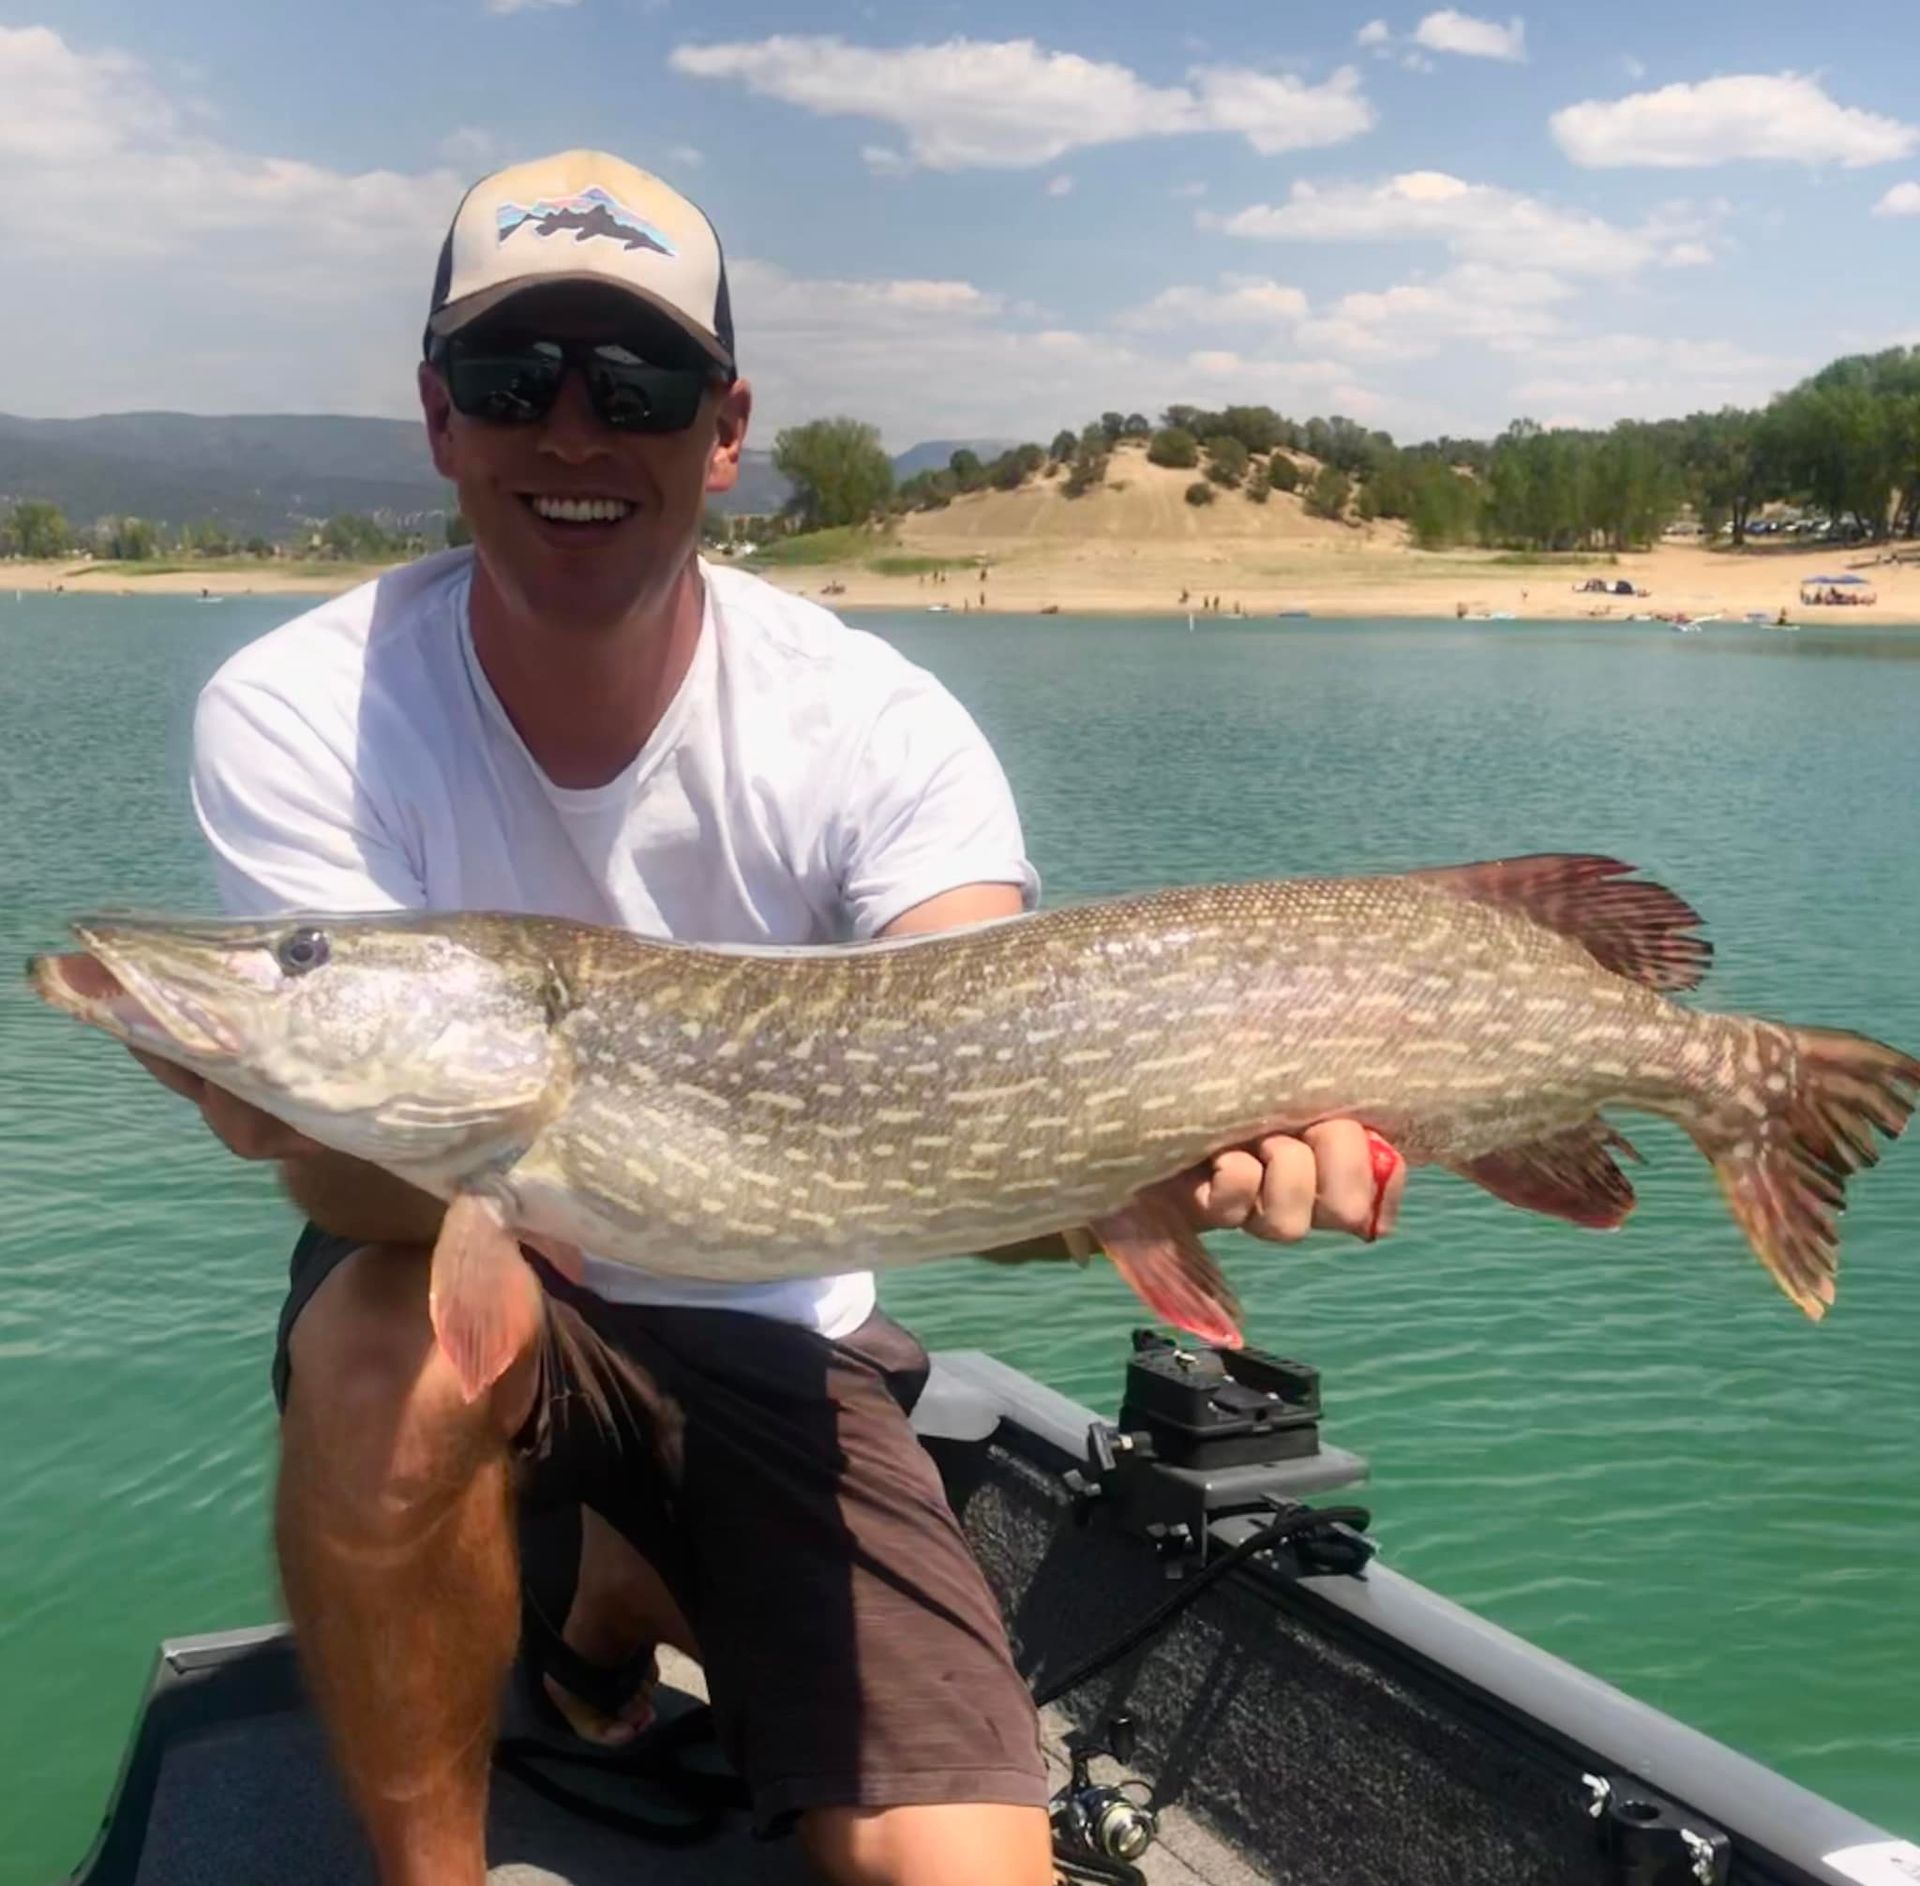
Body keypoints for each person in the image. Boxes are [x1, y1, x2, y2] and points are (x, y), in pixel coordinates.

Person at [121, 150, 1406, 1886]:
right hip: (474, 1270)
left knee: (960, 1870)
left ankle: (623, 1584)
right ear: (439, 418)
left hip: (790, 1341)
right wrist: (298, 1106)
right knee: (382, 1357)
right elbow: (367, 1196)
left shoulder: (875, 728)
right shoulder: (297, 709)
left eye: (636, 385)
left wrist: (1164, 1168)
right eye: (515, 379)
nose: (574, 432)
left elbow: (989, 1083)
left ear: (725, 429)